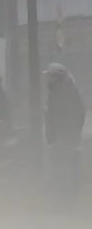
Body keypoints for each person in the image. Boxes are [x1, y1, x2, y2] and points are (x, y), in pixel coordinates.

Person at [44, 63, 86, 204]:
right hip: (59, 138)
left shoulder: (67, 92)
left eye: (50, 76)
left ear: (57, 77)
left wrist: (68, 134)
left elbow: (78, 114)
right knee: (59, 169)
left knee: (65, 169)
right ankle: (62, 199)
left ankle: (66, 200)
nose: (48, 80)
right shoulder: (56, 91)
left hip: (65, 138)